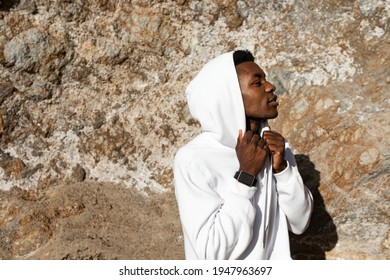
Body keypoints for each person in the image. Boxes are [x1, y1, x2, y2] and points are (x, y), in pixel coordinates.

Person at [174, 50, 313, 260]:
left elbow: (300, 223)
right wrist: (246, 174)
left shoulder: (276, 148)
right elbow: (210, 253)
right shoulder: (194, 159)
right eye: (257, 83)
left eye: (265, 79)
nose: (270, 86)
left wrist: (282, 170)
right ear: (230, 97)